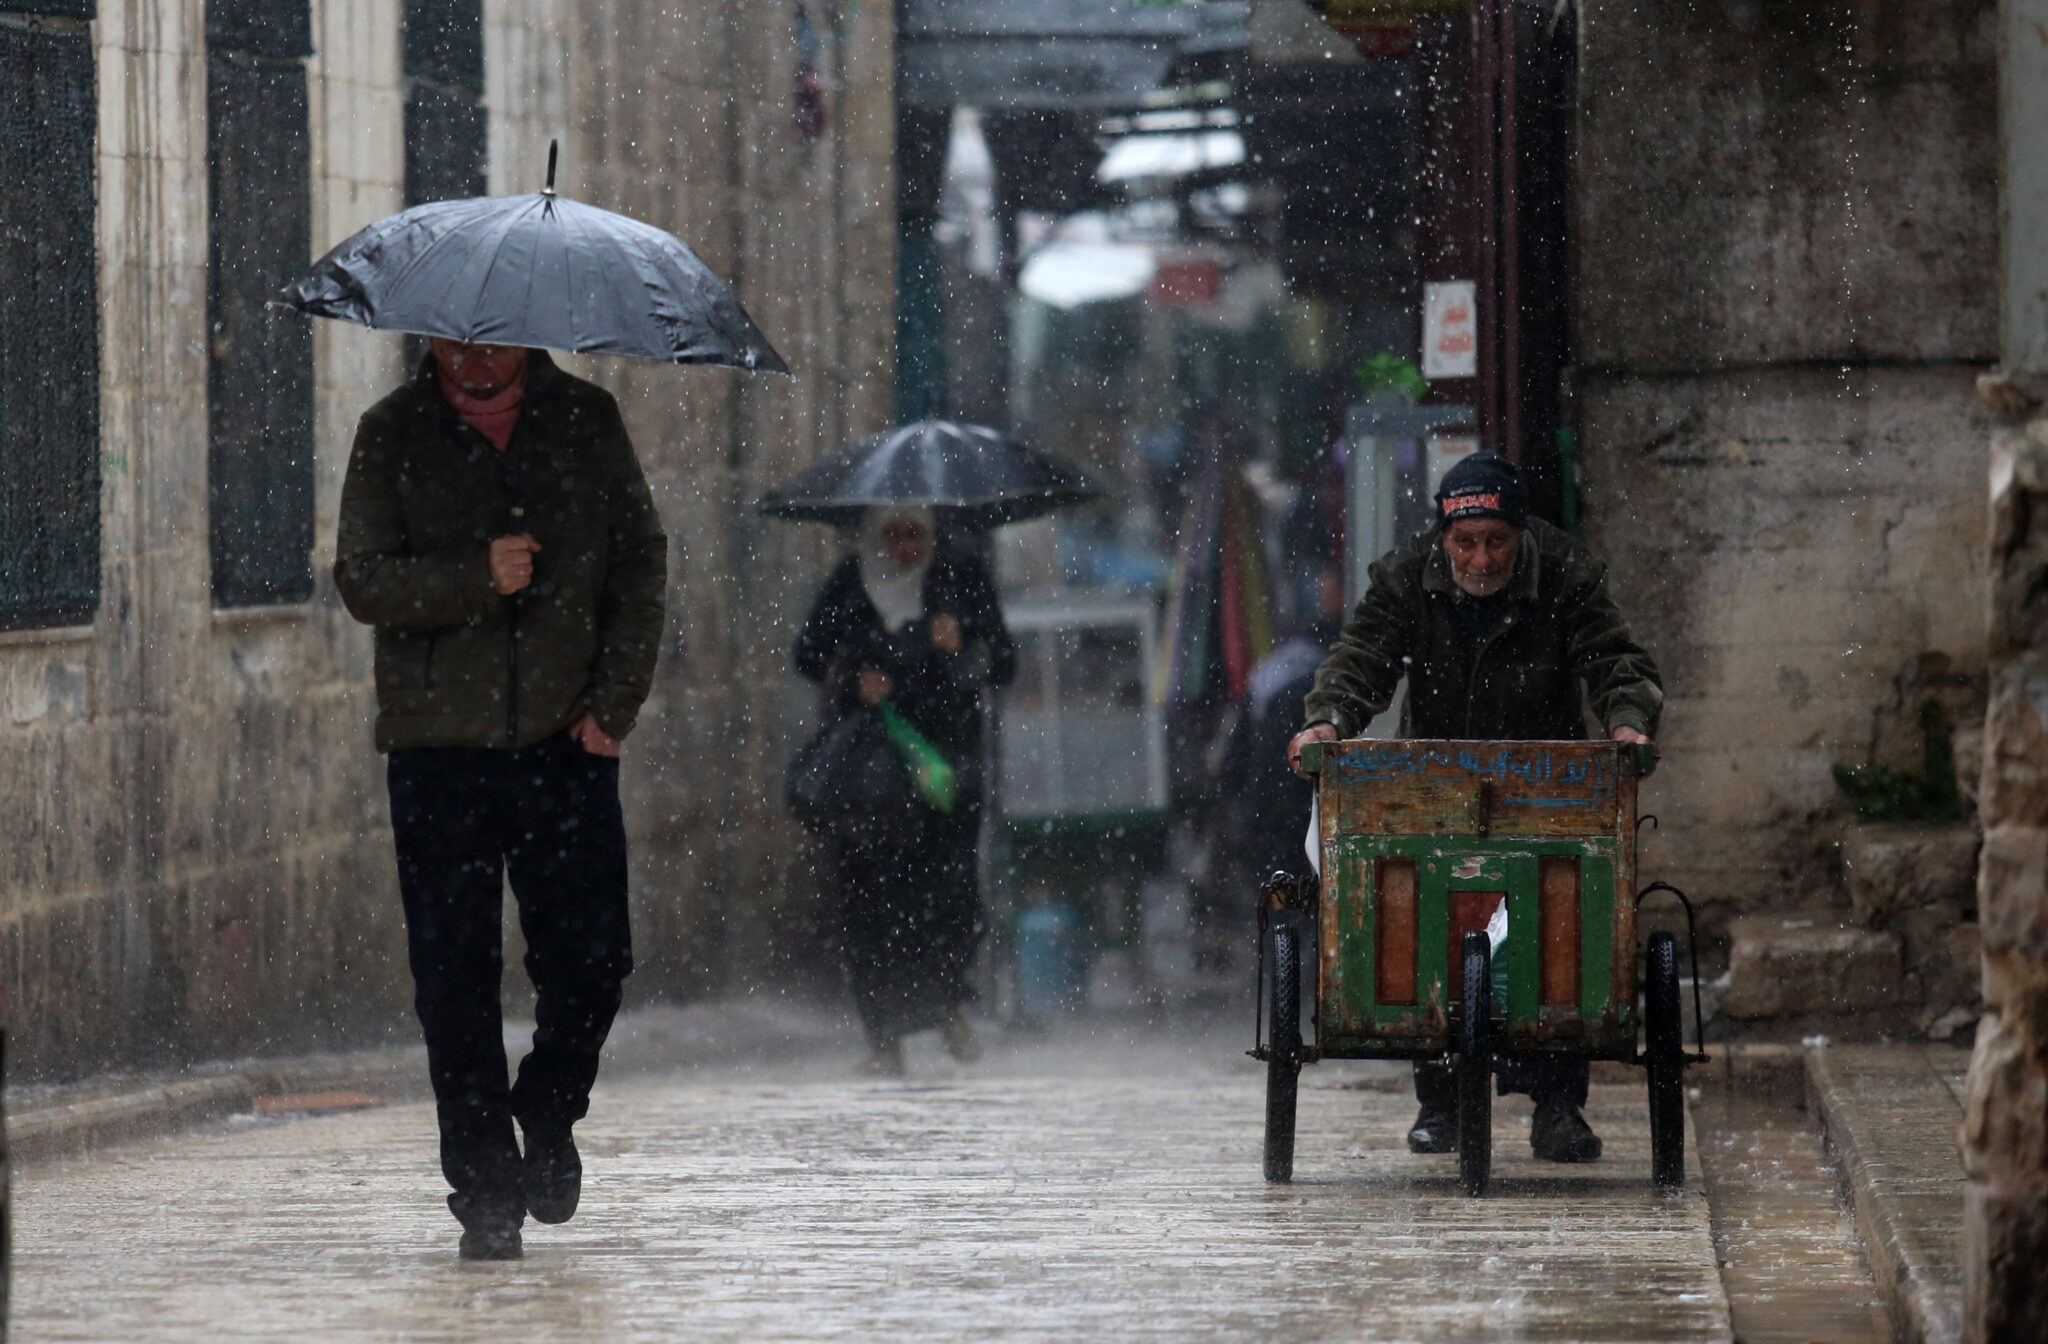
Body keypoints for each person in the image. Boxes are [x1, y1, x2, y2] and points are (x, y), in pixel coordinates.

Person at [335, 338, 666, 1260]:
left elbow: (640, 559)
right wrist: (476, 576)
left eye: (489, 337)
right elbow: (362, 579)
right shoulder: (392, 433)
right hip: (440, 750)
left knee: (595, 960)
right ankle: (483, 1185)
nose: (471, 354)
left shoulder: (586, 420)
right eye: (452, 336)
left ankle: (548, 1111)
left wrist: (614, 702)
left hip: (568, 743)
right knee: (454, 979)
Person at [1286, 451, 1660, 1164]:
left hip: (1543, 775)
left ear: (1520, 537)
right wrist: (1329, 720)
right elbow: (1361, 656)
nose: (1481, 559)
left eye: (1496, 542)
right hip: (1435, 775)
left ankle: (1556, 1104)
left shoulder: (1565, 570)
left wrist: (1627, 722)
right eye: (1466, 543)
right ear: (1443, 539)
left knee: (1557, 921)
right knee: (1430, 916)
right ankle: (1443, 1100)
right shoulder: (1406, 575)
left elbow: (1615, 659)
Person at [794, 506, 1016, 1077]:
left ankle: (944, 1004)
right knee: (869, 903)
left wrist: (961, 647)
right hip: (870, 775)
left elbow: (1002, 663)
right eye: (891, 534)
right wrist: (852, 678)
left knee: (948, 895)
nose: (903, 546)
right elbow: (810, 655)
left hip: (945, 769)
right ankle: (885, 1037)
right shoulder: (850, 582)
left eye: (915, 532)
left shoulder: (959, 578)